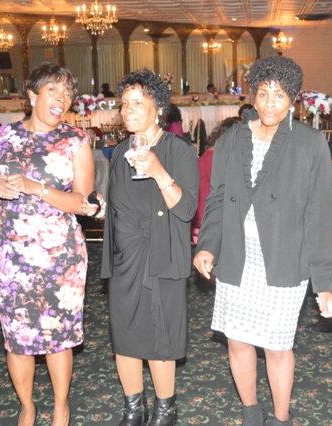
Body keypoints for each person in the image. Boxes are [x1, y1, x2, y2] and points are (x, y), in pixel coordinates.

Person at [193, 56, 332, 426]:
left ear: (294, 99)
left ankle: (280, 418)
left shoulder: (309, 142)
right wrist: (207, 245)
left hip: (283, 259)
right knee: (238, 340)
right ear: (253, 96)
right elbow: (217, 199)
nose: (270, 102)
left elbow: (320, 214)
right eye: (263, 93)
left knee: (277, 345)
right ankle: (251, 412)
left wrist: (323, 282)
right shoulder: (232, 139)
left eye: (279, 95)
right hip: (237, 257)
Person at [0, 63, 97, 426]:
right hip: (11, 257)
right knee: (18, 337)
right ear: (32, 95)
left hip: (62, 257)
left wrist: (36, 187)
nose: (62, 99)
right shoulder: (2, 137)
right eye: (53, 91)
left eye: (68, 93)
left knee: (58, 336)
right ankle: (27, 406)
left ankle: (60, 407)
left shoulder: (76, 141)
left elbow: (84, 204)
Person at [100, 69, 199, 426]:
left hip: (162, 254)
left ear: (158, 109)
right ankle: (133, 407)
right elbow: (117, 206)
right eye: (124, 103)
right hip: (125, 256)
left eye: (137, 103)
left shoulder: (178, 150)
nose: (127, 110)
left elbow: (186, 209)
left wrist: (158, 170)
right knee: (124, 333)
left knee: (161, 336)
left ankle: (165, 408)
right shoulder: (119, 152)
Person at [191, 116, 241, 242]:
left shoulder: (215, 152)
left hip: (208, 214)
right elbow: (226, 188)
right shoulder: (215, 155)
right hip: (208, 218)